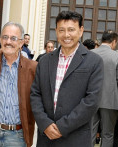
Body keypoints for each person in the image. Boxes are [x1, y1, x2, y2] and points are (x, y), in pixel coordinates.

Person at [30, 11, 104, 147]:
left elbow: (91, 101)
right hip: (46, 137)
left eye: (71, 30)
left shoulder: (94, 61)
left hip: (76, 137)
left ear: (81, 31)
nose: (66, 35)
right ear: (56, 31)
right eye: (61, 30)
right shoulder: (45, 61)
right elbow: (35, 94)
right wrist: (45, 124)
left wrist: (62, 127)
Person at [0, 22, 37, 147]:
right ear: (0, 40)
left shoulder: (33, 68)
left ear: (21, 43)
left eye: (13, 38)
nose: (8, 41)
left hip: (17, 136)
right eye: (5, 37)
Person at [91, 30, 118, 147]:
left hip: (91, 99)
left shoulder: (91, 53)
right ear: (114, 42)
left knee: (90, 132)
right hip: (110, 100)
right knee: (108, 134)